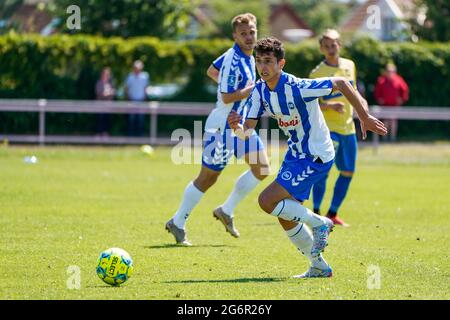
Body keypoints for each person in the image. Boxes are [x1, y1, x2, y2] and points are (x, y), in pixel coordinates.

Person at [227, 37, 387, 278]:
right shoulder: (259, 91)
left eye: (268, 61)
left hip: (317, 154)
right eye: (259, 61)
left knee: (266, 201)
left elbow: (342, 83)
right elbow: (248, 130)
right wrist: (235, 128)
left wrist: (363, 117)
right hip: (296, 156)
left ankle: (320, 223)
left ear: (281, 63)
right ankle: (319, 266)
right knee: (285, 215)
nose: (263, 66)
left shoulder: (298, 86)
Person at [165, 13, 270, 246]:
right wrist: (251, 89)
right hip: (222, 128)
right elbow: (226, 96)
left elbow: (211, 70)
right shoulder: (234, 60)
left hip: (239, 125)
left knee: (262, 167)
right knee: (207, 178)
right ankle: (177, 222)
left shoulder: (246, 57)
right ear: (235, 35)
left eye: (252, 31)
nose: (249, 36)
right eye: (243, 33)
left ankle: (226, 210)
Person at [309, 29, 360, 227]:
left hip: (348, 128)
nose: (331, 49)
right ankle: (315, 212)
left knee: (348, 172)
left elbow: (354, 91)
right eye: (327, 46)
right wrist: (329, 106)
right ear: (321, 49)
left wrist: (362, 105)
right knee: (323, 171)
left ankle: (332, 213)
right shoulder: (317, 73)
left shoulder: (350, 65)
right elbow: (309, 103)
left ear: (340, 45)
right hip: (328, 129)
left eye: (334, 44)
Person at [374, 62, 409, 141]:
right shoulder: (381, 80)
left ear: (394, 72)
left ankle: (392, 138)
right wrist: (379, 99)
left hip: (395, 106)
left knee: (393, 121)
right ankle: (385, 137)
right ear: (386, 72)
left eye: (392, 71)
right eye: (388, 71)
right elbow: (377, 92)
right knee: (385, 122)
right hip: (385, 106)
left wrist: (402, 99)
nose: (390, 73)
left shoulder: (399, 80)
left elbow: (405, 90)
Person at [125, 60, 149, 136]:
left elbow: (145, 88)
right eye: (136, 68)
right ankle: (131, 136)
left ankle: (140, 136)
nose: (137, 69)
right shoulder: (130, 77)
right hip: (132, 100)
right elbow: (127, 88)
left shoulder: (144, 76)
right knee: (131, 119)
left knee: (140, 119)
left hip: (141, 100)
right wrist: (129, 97)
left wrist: (145, 98)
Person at [95, 67, 115, 137]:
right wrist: (107, 94)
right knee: (100, 119)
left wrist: (107, 94)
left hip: (108, 105)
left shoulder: (110, 83)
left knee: (107, 120)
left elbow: (113, 93)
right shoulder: (99, 82)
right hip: (100, 105)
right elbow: (99, 93)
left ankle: (105, 133)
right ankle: (98, 133)